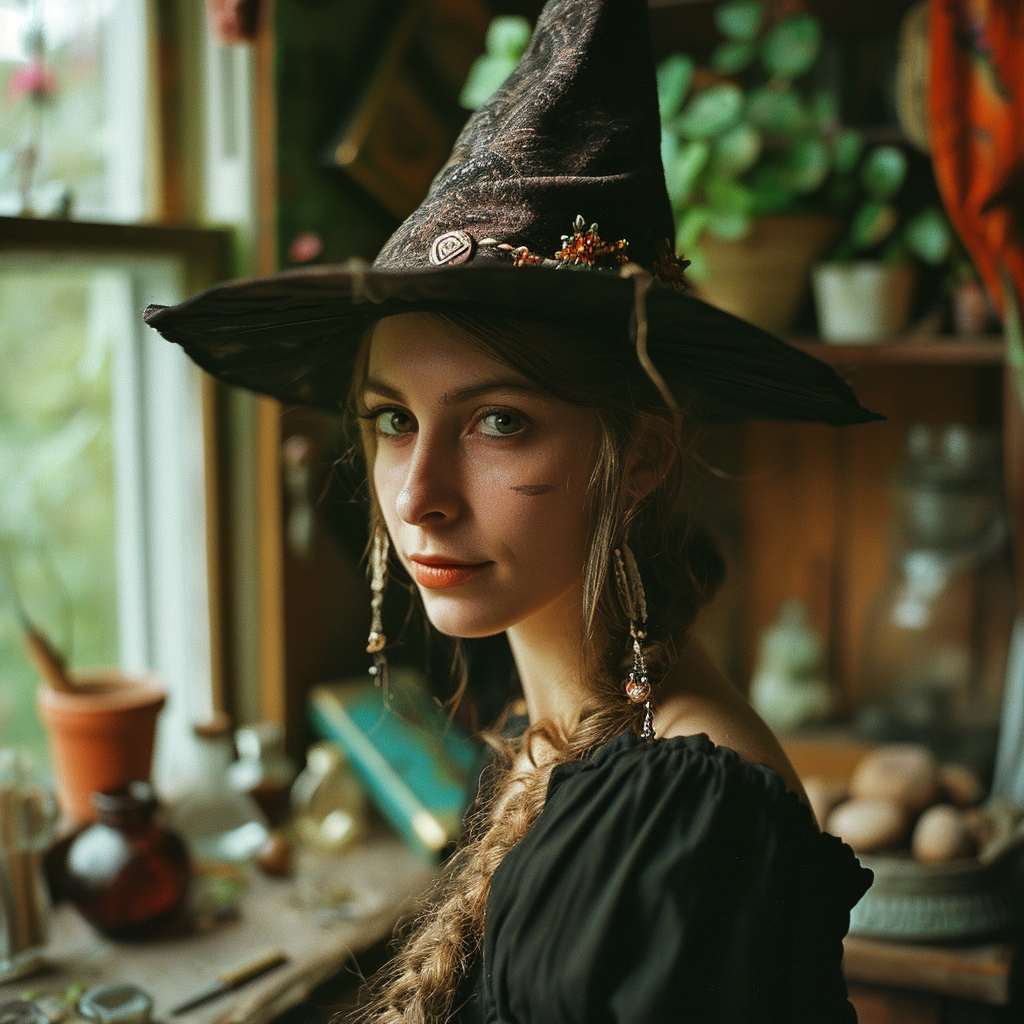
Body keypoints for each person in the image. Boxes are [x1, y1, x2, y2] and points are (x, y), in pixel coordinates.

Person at [145, 1, 878, 1020]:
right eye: (392, 419)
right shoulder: (551, 733)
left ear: (642, 453)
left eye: (497, 420)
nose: (418, 497)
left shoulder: (685, 814)